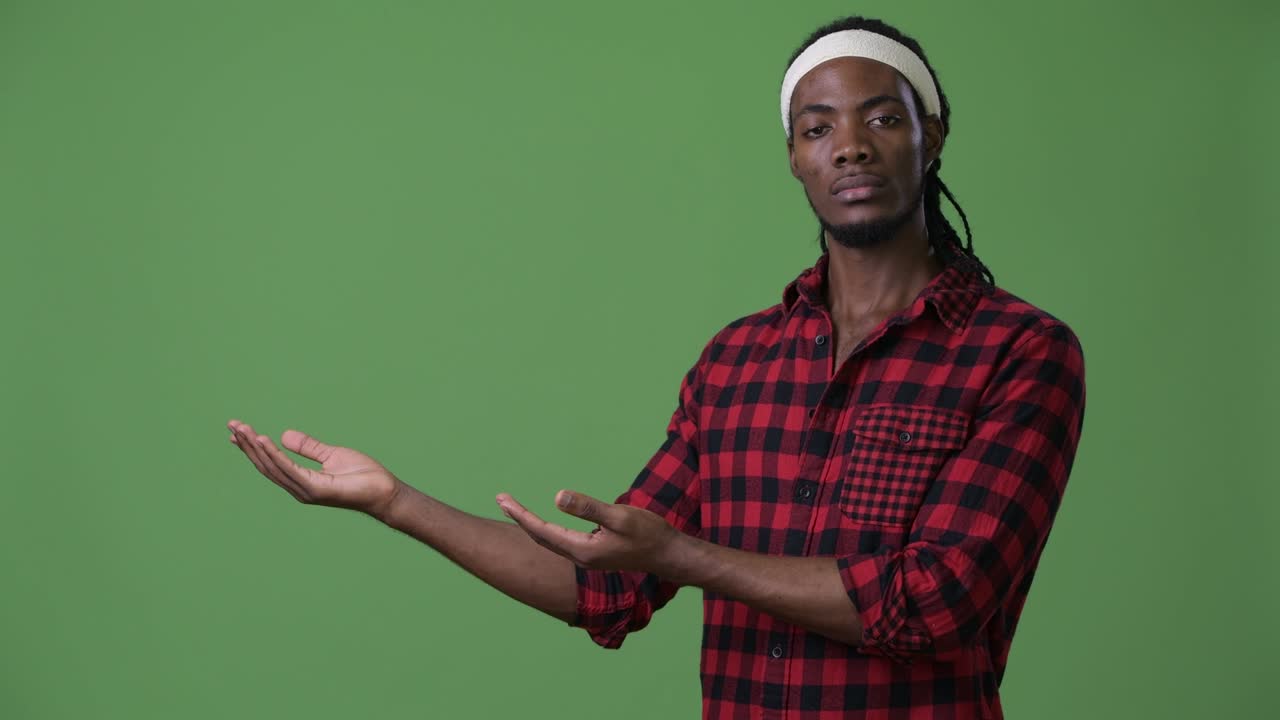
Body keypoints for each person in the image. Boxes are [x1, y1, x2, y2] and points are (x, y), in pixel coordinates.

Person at [227, 15, 1086, 719]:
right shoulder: (737, 361)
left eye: (882, 118)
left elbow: (934, 600)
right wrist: (395, 502)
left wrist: (686, 558)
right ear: (794, 156)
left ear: (931, 136)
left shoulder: (1021, 353)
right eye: (817, 127)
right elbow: (606, 583)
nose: (849, 147)